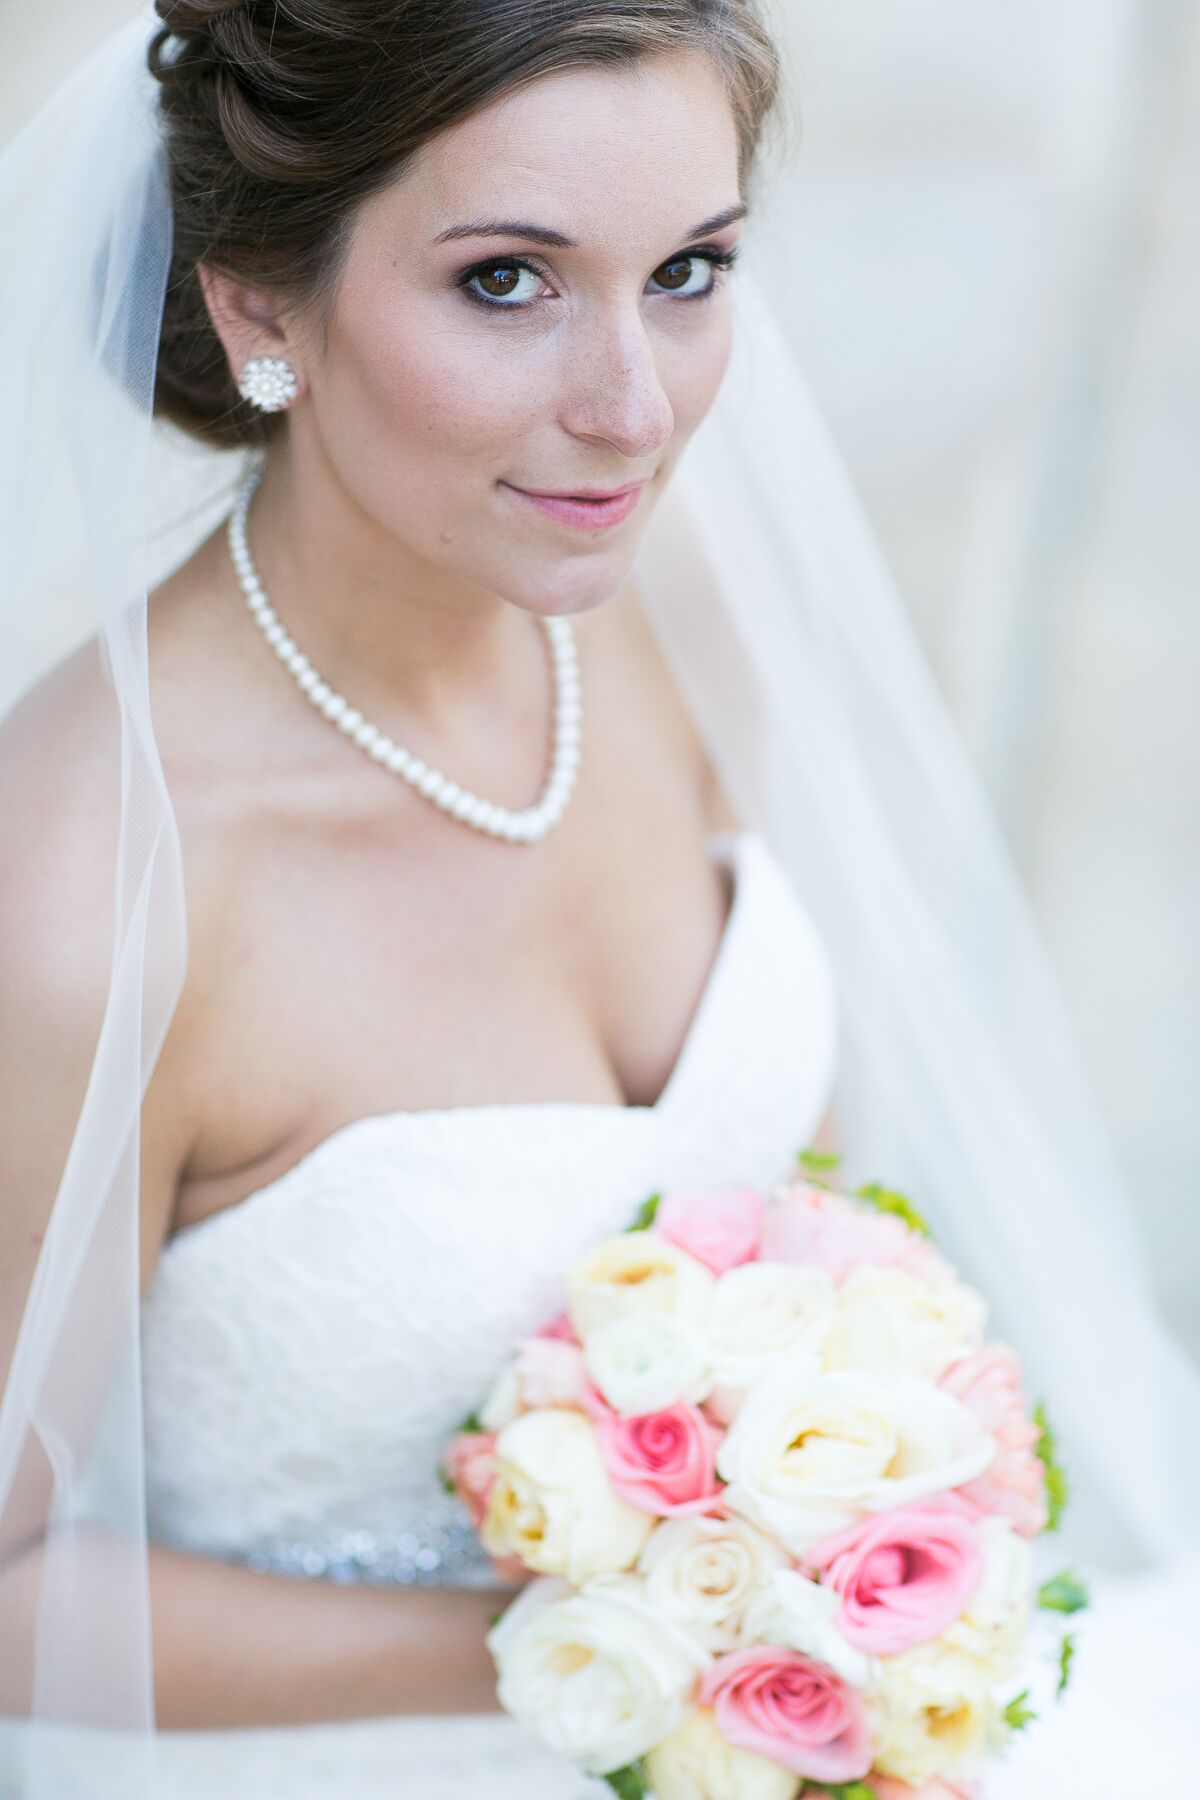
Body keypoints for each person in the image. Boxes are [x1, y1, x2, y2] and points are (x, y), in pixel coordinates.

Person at [0, 4, 1196, 1796]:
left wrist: (843, 1542)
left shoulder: (679, 603)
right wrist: (642, 1628)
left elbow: (813, 1205)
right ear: (260, 305)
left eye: (691, 269)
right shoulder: (96, 888)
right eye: (507, 283)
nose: (634, 410)